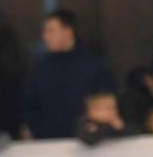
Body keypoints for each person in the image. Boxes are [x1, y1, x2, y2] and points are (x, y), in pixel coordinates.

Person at [23, 9, 116, 139]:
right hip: (46, 146)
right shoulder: (41, 66)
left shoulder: (93, 65)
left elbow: (106, 103)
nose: (45, 37)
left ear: (68, 32)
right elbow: (30, 104)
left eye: (51, 31)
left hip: (85, 145)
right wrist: (30, 128)